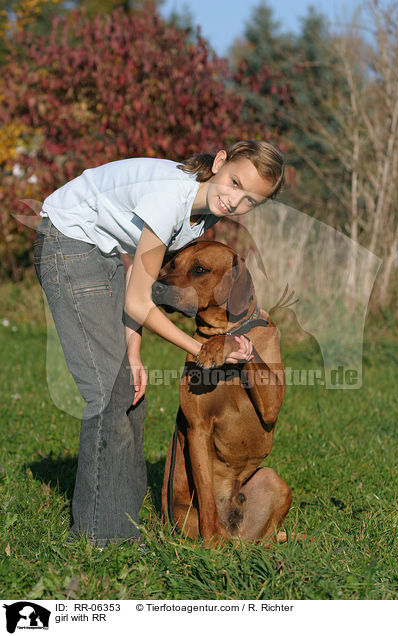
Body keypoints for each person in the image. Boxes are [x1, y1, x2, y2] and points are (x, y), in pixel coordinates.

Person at [33, 139, 285, 548]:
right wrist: (200, 347)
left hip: (105, 252)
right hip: (68, 242)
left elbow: (142, 284)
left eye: (250, 201)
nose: (235, 201)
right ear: (220, 162)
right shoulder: (172, 196)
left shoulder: (202, 219)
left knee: (129, 390)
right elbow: (138, 299)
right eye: (235, 182)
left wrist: (133, 352)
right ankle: (102, 539)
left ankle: (124, 522)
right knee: (107, 392)